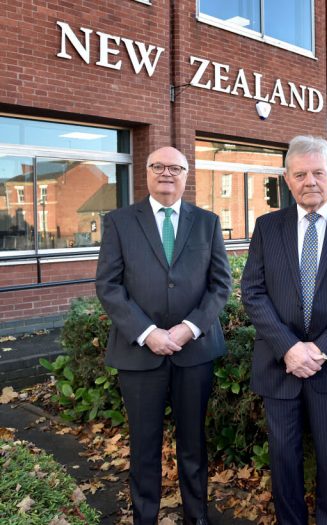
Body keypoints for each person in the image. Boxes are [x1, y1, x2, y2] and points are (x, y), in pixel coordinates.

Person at [240, 135, 327, 525]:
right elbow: (252, 291)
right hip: (279, 365)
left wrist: (319, 350)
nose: (310, 181)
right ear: (287, 179)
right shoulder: (267, 227)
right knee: (284, 462)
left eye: (318, 172)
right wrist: (289, 348)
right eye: (300, 174)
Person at [95, 146, 231, 525]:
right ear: (147, 172)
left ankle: (196, 518)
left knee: (193, 446)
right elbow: (108, 285)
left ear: (187, 175)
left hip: (194, 353)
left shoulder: (208, 222)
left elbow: (221, 285)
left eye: (176, 167)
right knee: (144, 448)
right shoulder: (120, 222)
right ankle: (145, 518)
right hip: (139, 355)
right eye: (158, 166)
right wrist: (147, 332)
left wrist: (189, 328)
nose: (167, 173)